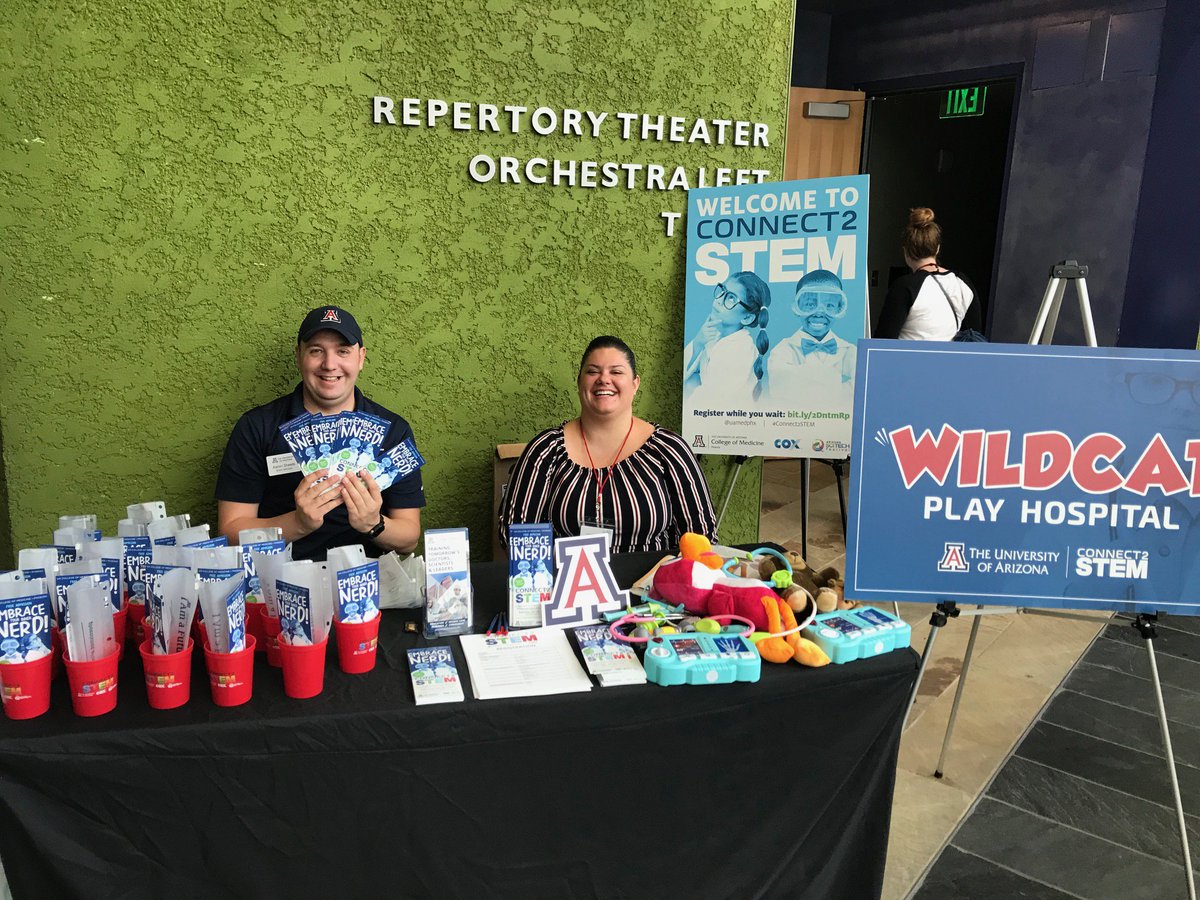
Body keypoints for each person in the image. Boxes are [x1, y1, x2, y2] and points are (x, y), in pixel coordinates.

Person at [215, 306, 424, 560]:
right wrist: (297, 523)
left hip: (365, 583)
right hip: (279, 580)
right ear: (298, 356)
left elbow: (409, 537)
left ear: (361, 358)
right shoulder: (256, 426)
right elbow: (230, 532)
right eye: (316, 351)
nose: (329, 364)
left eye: (343, 351)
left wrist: (373, 524)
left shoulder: (393, 430)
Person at [500, 336, 717, 554]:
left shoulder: (668, 449)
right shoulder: (546, 449)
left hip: (649, 585)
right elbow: (517, 537)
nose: (604, 379)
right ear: (579, 382)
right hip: (568, 585)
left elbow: (702, 538)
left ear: (635, 384)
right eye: (593, 371)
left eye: (616, 372)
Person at [876, 206, 982, 340]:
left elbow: (883, 341)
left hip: (909, 360)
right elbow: (975, 335)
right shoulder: (962, 282)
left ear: (906, 251)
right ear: (937, 248)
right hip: (950, 360)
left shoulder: (904, 287)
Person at [764, 268, 856, 401]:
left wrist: (805, 381)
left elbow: (860, 390)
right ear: (796, 308)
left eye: (829, 305)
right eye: (809, 304)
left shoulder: (850, 351)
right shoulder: (782, 350)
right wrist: (837, 383)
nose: (819, 312)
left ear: (840, 308)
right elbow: (781, 391)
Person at [683, 271, 771, 404]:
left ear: (747, 318)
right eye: (722, 291)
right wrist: (698, 343)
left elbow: (709, 402)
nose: (719, 300)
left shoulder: (740, 350)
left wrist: (691, 386)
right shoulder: (714, 336)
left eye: (731, 298)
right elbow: (683, 377)